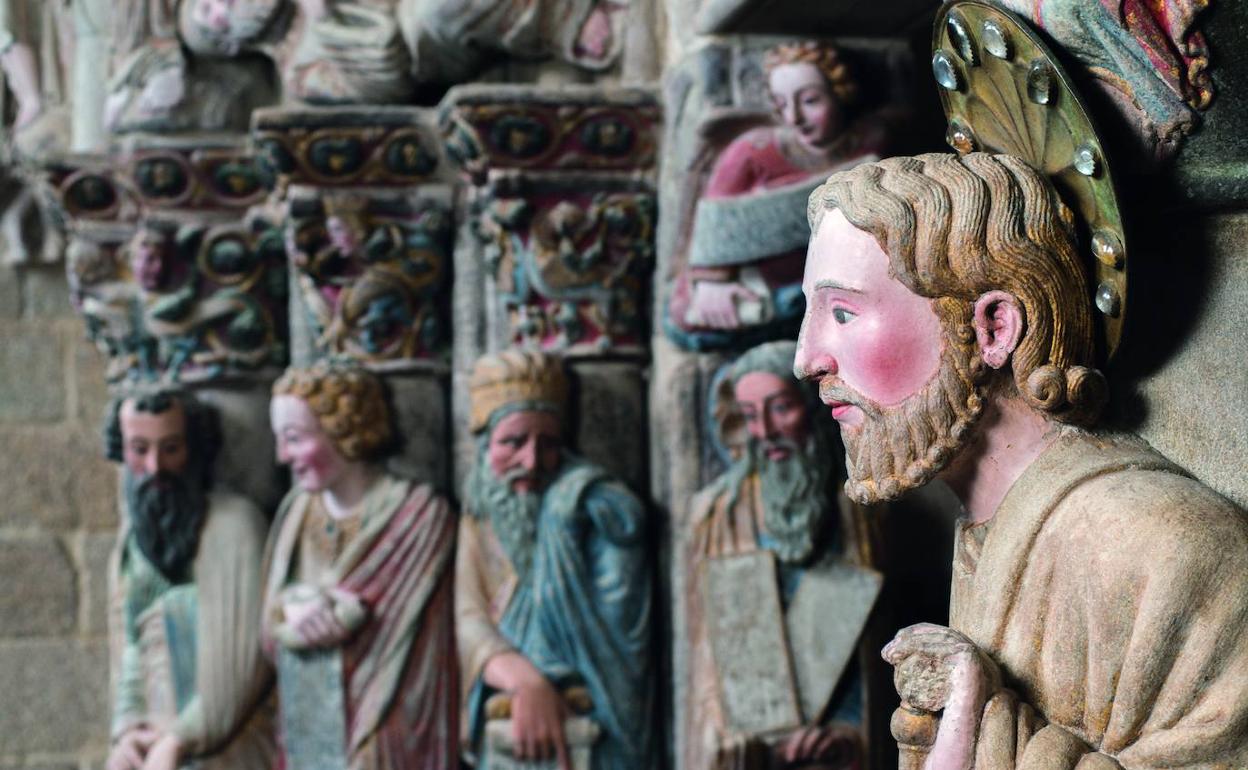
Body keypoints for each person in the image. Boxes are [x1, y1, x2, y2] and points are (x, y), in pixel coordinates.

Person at [794, 152, 1248, 768]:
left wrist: (982, 721)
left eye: (843, 313)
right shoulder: (988, 534)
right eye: (811, 315)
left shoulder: (1169, 549)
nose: (807, 358)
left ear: (994, 329)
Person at [685, 340, 880, 770]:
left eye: (780, 409)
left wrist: (847, 733)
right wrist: (736, 739)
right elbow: (705, 655)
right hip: (750, 738)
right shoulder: (718, 515)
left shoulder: (857, 509)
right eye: (750, 415)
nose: (766, 431)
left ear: (812, 409)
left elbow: (869, 654)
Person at [457, 349, 655, 770]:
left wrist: (566, 519)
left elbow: (620, 635)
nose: (531, 462)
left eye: (547, 445)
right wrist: (524, 681)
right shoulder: (482, 514)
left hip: (589, 715)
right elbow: (468, 618)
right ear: (485, 446)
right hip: (510, 710)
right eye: (512, 442)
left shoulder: (590, 507)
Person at [263, 359, 458, 769]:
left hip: (390, 721)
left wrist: (335, 612)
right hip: (308, 719)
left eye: (294, 438)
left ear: (343, 430)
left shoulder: (418, 515)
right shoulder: (296, 512)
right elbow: (268, 629)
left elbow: (415, 644)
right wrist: (292, 607)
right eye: (279, 440)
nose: (282, 456)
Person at [668, 40, 888, 345]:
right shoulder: (753, 151)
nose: (794, 117)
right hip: (759, 291)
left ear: (840, 94)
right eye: (782, 104)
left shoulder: (870, 144)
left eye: (810, 101)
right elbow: (713, 228)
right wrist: (711, 283)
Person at [103, 387, 275, 770]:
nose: (155, 467)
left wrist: (180, 738)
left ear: (193, 450)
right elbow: (130, 646)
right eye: (139, 449)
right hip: (156, 737)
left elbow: (247, 657)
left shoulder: (235, 527)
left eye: (170, 449)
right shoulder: (132, 543)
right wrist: (128, 730)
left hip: (224, 743)